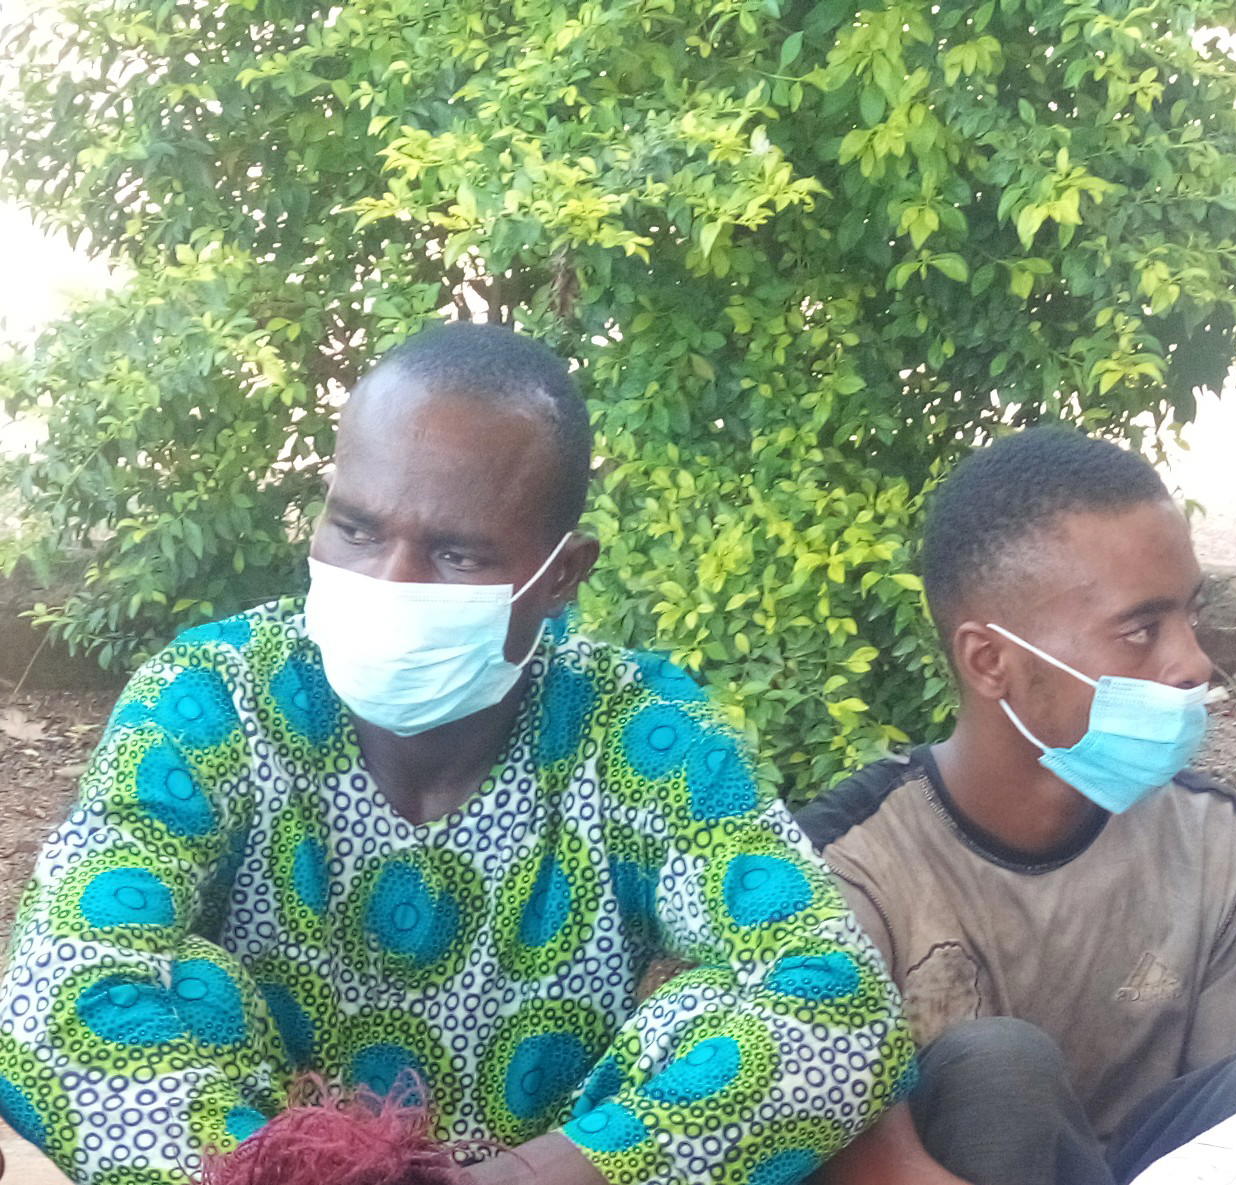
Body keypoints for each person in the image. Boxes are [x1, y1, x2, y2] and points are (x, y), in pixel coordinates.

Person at [0, 323, 914, 1185]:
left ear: (561, 574)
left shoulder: (640, 733)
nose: (388, 582)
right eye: (357, 529)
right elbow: (55, 980)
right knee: (167, 988)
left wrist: (516, 1177)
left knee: (723, 1014)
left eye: (456, 555)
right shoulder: (214, 696)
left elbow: (839, 1003)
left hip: (538, 1176)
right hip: (261, 1164)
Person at [796, 426, 1236, 1185]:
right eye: (1141, 630)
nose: (1194, 662)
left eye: (1192, 614)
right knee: (999, 1067)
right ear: (992, 662)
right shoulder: (842, 874)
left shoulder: (1221, 848)